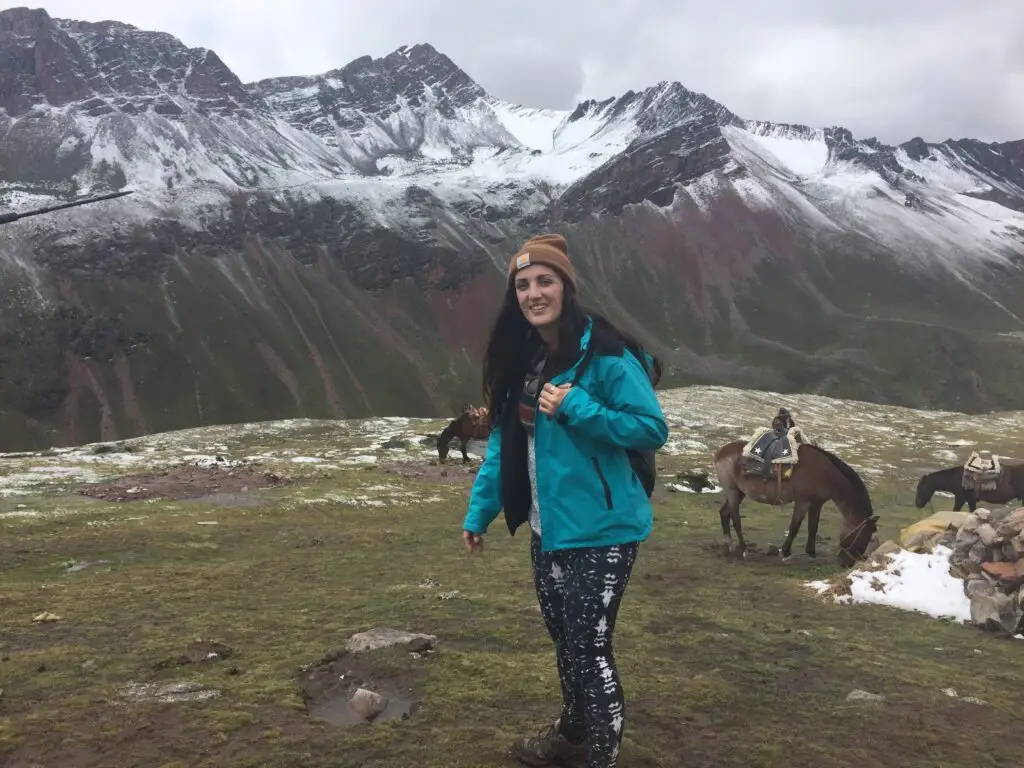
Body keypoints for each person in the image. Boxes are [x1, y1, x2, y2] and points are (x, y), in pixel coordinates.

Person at [461, 233, 669, 768]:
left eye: (544, 281)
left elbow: (650, 429)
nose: (534, 293)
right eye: (523, 284)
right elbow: (504, 448)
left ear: (566, 287)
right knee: (564, 638)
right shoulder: (526, 359)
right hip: (546, 529)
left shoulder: (605, 354)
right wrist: (479, 512)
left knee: (589, 646)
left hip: (603, 529)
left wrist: (578, 407)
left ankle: (600, 757)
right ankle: (572, 732)